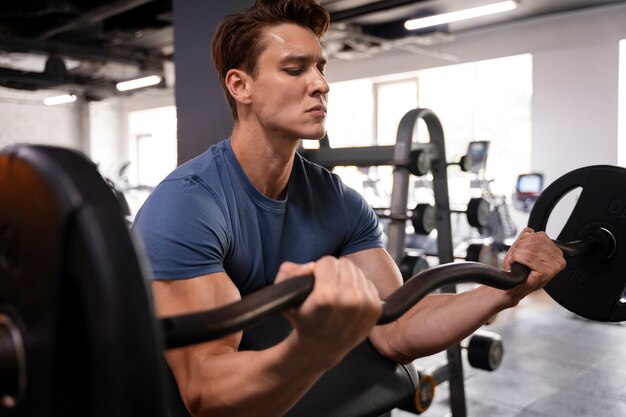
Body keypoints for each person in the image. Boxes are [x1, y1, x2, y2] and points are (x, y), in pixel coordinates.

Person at [133, 1, 566, 416]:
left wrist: (505, 290)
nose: (320, 84)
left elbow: (396, 325)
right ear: (240, 85)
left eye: (320, 67)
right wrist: (312, 348)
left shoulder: (337, 200)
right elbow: (205, 391)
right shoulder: (187, 205)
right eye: (294, 69)